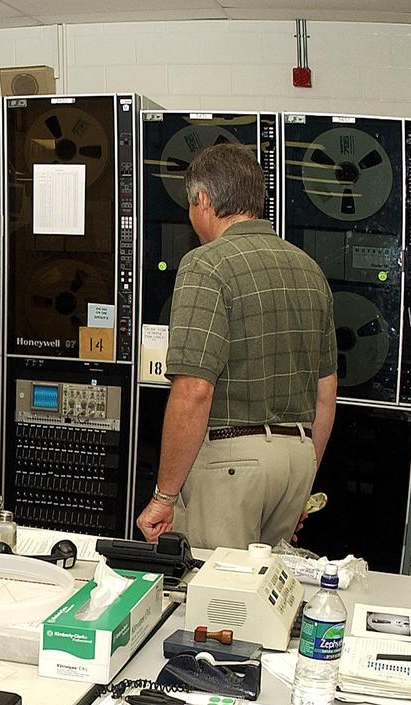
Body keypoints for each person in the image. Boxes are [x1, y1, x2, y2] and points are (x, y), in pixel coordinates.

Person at [136, 143, 337, 550]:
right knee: (262, 594)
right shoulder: (309, 269)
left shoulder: (205, 263)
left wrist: (164, 495)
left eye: (191, 205)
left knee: (214, 599)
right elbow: (326, 394)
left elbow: (195, 390)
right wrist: (302, 480)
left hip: (232, 464)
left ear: (204, 201)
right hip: (297, 461)